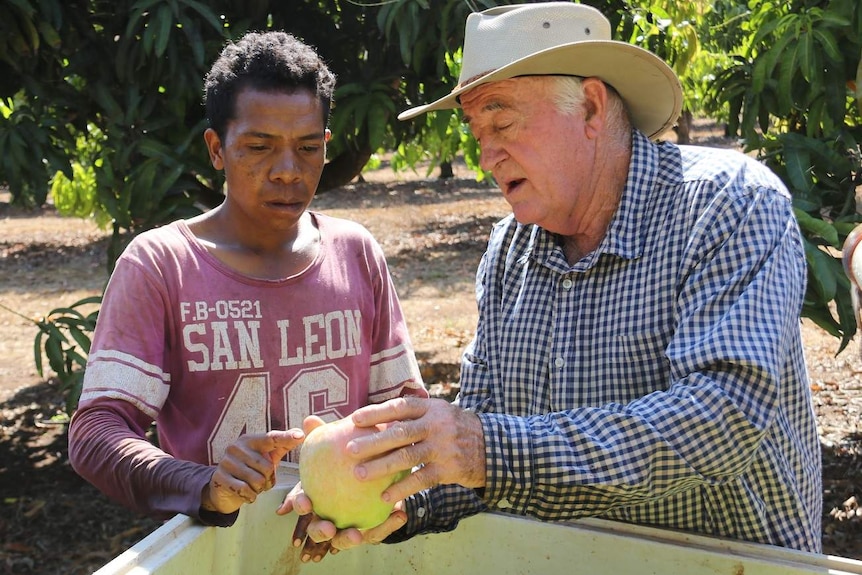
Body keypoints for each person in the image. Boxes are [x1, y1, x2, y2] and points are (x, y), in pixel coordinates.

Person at [282, 2, 822, 559]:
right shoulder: (509, 253)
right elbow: (481, 431)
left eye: (503, 120)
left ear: (590, 106)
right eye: (475, 128)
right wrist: (397, 491)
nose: (486, 155)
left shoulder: (727, 203)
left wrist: (485, 450)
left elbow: (723, 417)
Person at [68, 31, 427, 529]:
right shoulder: (161, 264)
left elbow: (404, 411)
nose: (286, 171)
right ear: (217, 149)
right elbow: (96, 432)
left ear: (326, 145)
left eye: (307, 148)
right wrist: (203, 484)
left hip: (344, 543)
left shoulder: (355, 252)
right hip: (216, 552)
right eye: (259, 147)